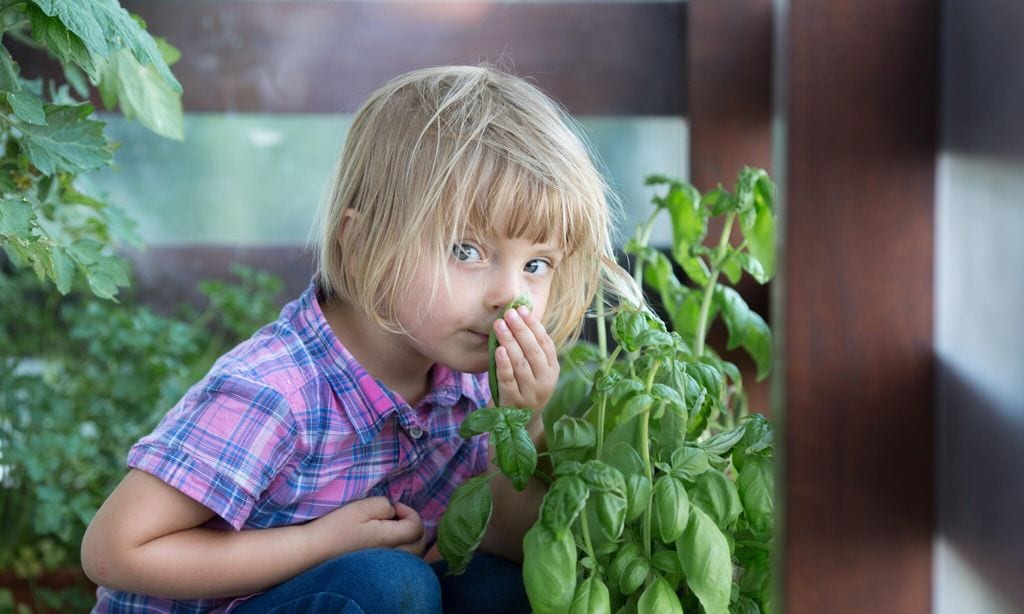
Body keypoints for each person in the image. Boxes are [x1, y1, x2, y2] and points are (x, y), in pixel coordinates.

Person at [81, 64, 634, 613]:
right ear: (362, 238)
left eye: (537, 264)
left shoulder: (470, 388)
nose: (509, 295)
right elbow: (115, 551)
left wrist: (524, 424)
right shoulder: (277, 391)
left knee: (501, 587)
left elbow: (506, 544)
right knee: (389, 585)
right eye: (466, 251)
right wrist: (321, 544)